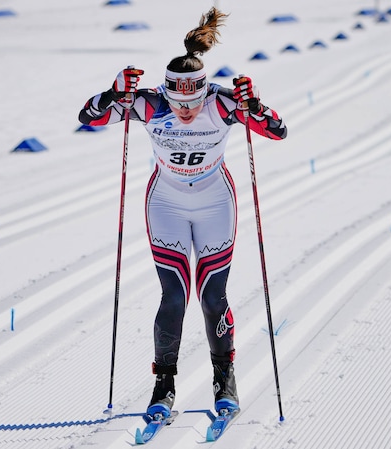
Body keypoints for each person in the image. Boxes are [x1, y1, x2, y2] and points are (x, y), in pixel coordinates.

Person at [78, 7, 287, 420]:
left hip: (215, 204)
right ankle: (163, 386)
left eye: (193, 102)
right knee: (173, 296)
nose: (186, 110)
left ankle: (224, 380)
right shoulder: (150, 104)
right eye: (178, 101)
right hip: (167, 204)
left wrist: (256, 105)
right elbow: (89, 117)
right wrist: (114, 93)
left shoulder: (222, 103)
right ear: (167, 92)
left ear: (204, 91)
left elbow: (278, 131)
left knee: (212, 297)